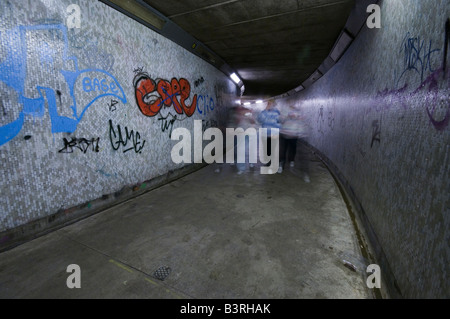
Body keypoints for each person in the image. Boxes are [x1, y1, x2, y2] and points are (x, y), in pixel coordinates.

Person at [257, 99, 281, 170]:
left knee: (273, 148)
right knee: (267, 148)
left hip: (274, 133)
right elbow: (259, 120)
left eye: (271, 103)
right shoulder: (264, 112)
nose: (269, 105)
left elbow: (279, 121)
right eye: (268, 103)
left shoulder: (277, 112)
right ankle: (269, 161)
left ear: (274, 104)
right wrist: (265, 110)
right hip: (266, 133)